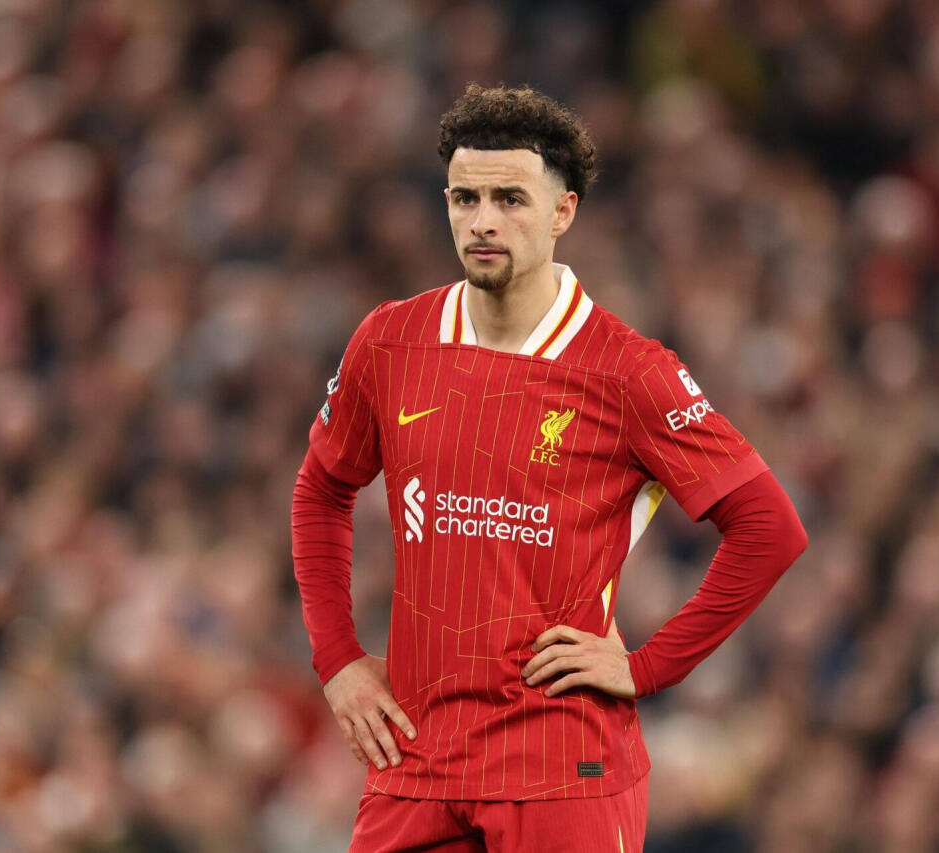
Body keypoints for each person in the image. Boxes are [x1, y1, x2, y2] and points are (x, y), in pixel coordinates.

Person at [291, 83, 808, 853]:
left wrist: (649, 666)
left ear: (563, 211)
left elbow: (769, 527)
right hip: (418, 760)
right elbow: (321, 488)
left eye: (510, 199)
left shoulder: (628, 371)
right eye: (464, 198)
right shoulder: (390, 341)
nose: (483, 220)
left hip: (562, 767)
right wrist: (337, 658)